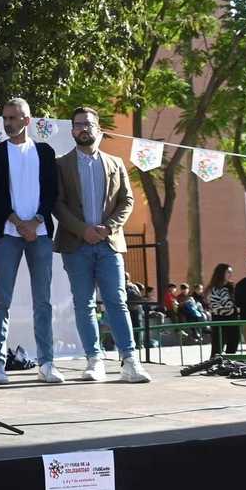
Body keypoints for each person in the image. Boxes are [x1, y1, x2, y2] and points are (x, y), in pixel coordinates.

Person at [53, 106, 150, 383]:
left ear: (99, 129)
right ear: (72, 131)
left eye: (88, 124)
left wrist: (108, 227)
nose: (83, 128)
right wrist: (82, 230)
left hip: (109, 244)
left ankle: (129, 360)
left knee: (117, 302)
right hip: (76, 244)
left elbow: (127, 201)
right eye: (77, 125)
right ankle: (93, 360)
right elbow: (56, 203)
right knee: (83, 304)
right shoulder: (61, 163)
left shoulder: (115, 162)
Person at [0, 97, 60, 384]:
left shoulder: (44, 151)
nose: (7, 123)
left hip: (40, 236)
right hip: (8, 235)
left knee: (43, 300)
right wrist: (19, 222)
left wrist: (36, 221)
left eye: (13, 118)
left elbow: (52, 191)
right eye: (5, 118)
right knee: (1, 299)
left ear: (27, 121)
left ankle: (47, 363)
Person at [205, 263, 239, 357]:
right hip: (220, 322)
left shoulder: (231, 288)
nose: (231, 275)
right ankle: (214, 367)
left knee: (232, 348)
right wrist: (235, 311)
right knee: (217, 349)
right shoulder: (213, 289)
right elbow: (216, 308)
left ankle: (229, 366)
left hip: (234, 321)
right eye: (228, 272)